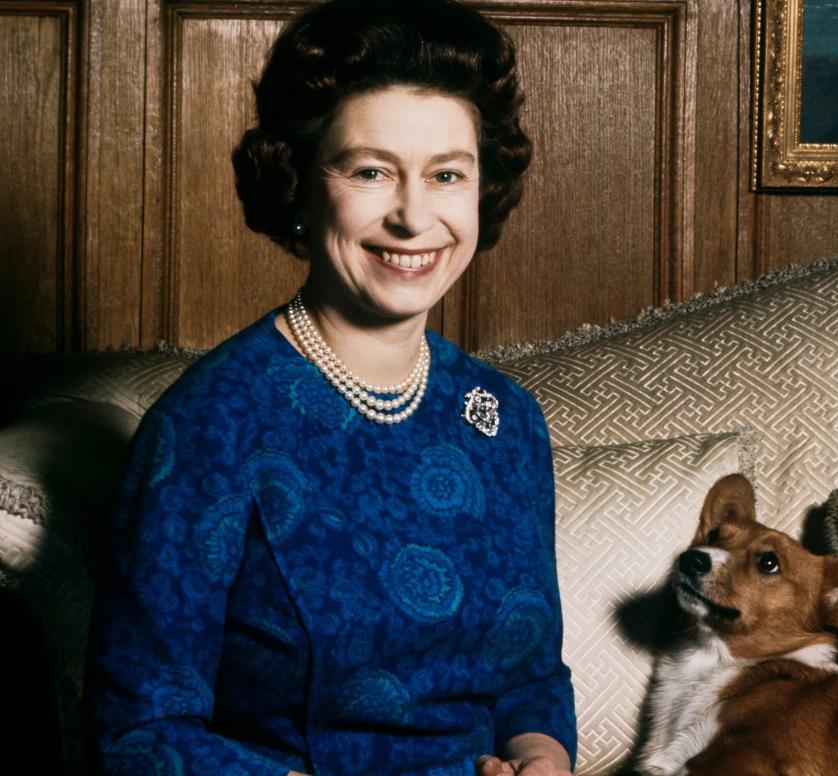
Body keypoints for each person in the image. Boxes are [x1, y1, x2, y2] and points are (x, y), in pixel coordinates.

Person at [83, 1, 576, 774]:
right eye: (372, 171)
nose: (415, 217)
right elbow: (140, 733)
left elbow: (531, 678)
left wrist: (542, 757)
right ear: (304, 187)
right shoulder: (212, 424)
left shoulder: (503, 418)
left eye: (447, 174)